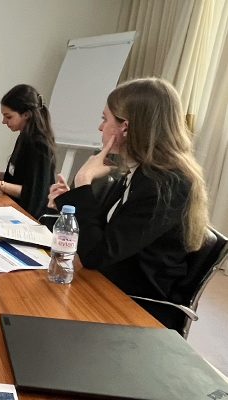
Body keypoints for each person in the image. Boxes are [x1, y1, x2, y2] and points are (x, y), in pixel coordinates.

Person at [48, 77, 209, 329]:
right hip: (110, 281)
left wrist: (83, 181)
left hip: (134, 302)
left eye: (105, 119)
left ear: (125, 128)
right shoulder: (141, 171)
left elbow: (95, 255)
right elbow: (101, 233)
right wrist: (70, 202)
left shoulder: (164, 183)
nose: (100, 128)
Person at [0, 84, 56, 219]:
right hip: (13, 208)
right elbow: (14, 177)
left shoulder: (39, 146)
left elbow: (33, 194)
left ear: (26, 115)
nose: (3, 121)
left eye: (8, 116)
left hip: (31, 218)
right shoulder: (24, 137)